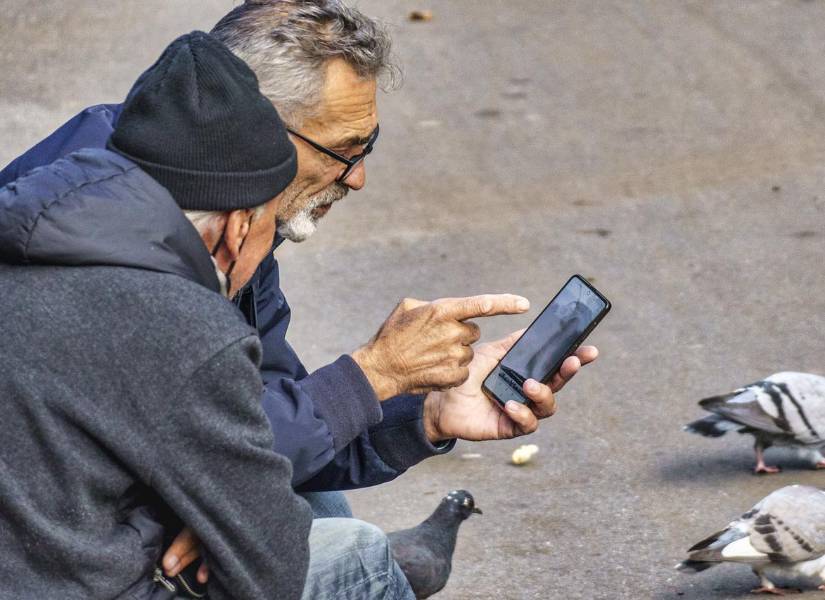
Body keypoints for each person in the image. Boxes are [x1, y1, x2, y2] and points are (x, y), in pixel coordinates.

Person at [0, 0, 598, 588]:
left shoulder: (192, 201)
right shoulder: (163, 261)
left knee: (322, 508)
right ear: (258, 129)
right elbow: (244, 500)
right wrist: (371, 375)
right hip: (74, 558)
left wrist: (427, 412)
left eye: (371, 144)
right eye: (346, 149)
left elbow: (259, 416)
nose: (358, 176)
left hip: (109, 519)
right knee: (355, 554)